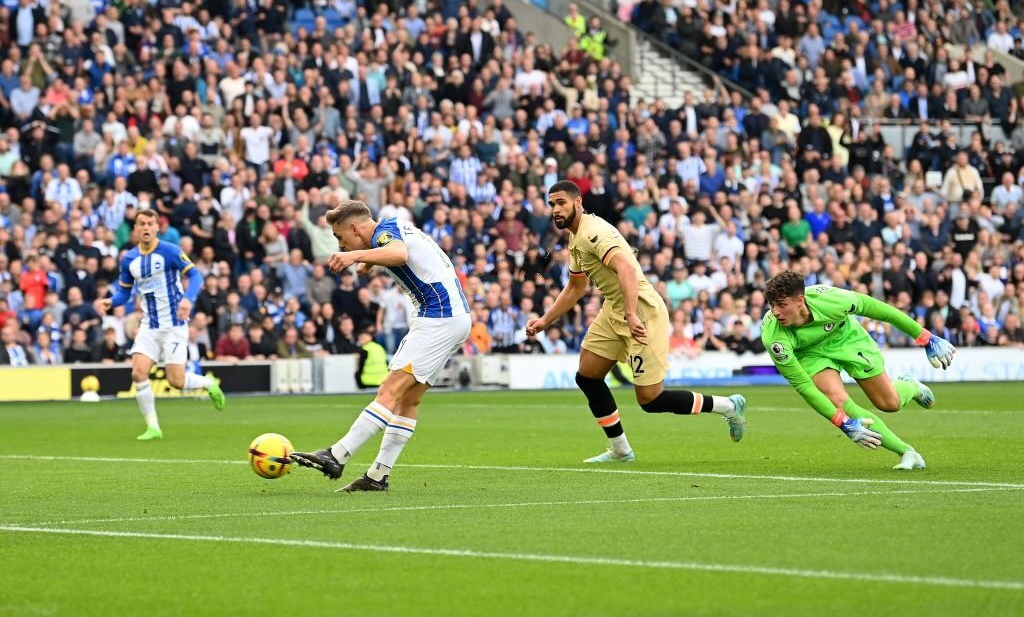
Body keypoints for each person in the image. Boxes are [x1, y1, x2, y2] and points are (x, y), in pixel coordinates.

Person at [525, 181, 746, 462]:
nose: (555, 209)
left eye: (561, 203)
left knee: (651, 400)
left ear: (577, 203)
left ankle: (729, 406)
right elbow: (576, 287)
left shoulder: (594, 233)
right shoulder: (575, 237)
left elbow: (627, 269)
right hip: (614, 310)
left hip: (641, 312)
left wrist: (630, 313)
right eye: (552, 204)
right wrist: (546, 320)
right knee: (588, 376)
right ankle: (620, 449)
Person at [290, 200, 471, 492]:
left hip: (438, 315)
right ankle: (377, 475)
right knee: (408, 399)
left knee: (389, 390)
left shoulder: (385, 232)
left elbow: (399, 254)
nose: (341, 244)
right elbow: (405, 253)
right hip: (456, 318)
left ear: (354, 228)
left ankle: (337, 455)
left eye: (340, 237)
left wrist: (356, 256)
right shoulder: (393, 227)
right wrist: (370, 260)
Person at [760, 270, 956, 470]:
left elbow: (880, 310)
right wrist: (842, 423)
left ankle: (910, 386)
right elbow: (804, 386)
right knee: (838, 402)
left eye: (782, 305)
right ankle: (907, 452)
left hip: (848, 339)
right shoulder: (774, 337)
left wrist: (925, 337)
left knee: (889, 403)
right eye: (771, 305)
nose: (775, 312)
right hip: (810, 354)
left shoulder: (831, 300)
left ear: (800, 300)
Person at [97, 209, 226, 440]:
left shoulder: (170, 251)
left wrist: (188, 299)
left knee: (175, 381)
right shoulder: (129, 259)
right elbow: (124, 294)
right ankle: (153, 427)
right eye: (141, 224)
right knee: (138, 373)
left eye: (150, 223)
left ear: (157, 227)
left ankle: (209, 384)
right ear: (135, 229)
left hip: (174, 325)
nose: (146, 228)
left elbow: (197, 276)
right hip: (149, 325)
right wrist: (110, 301)